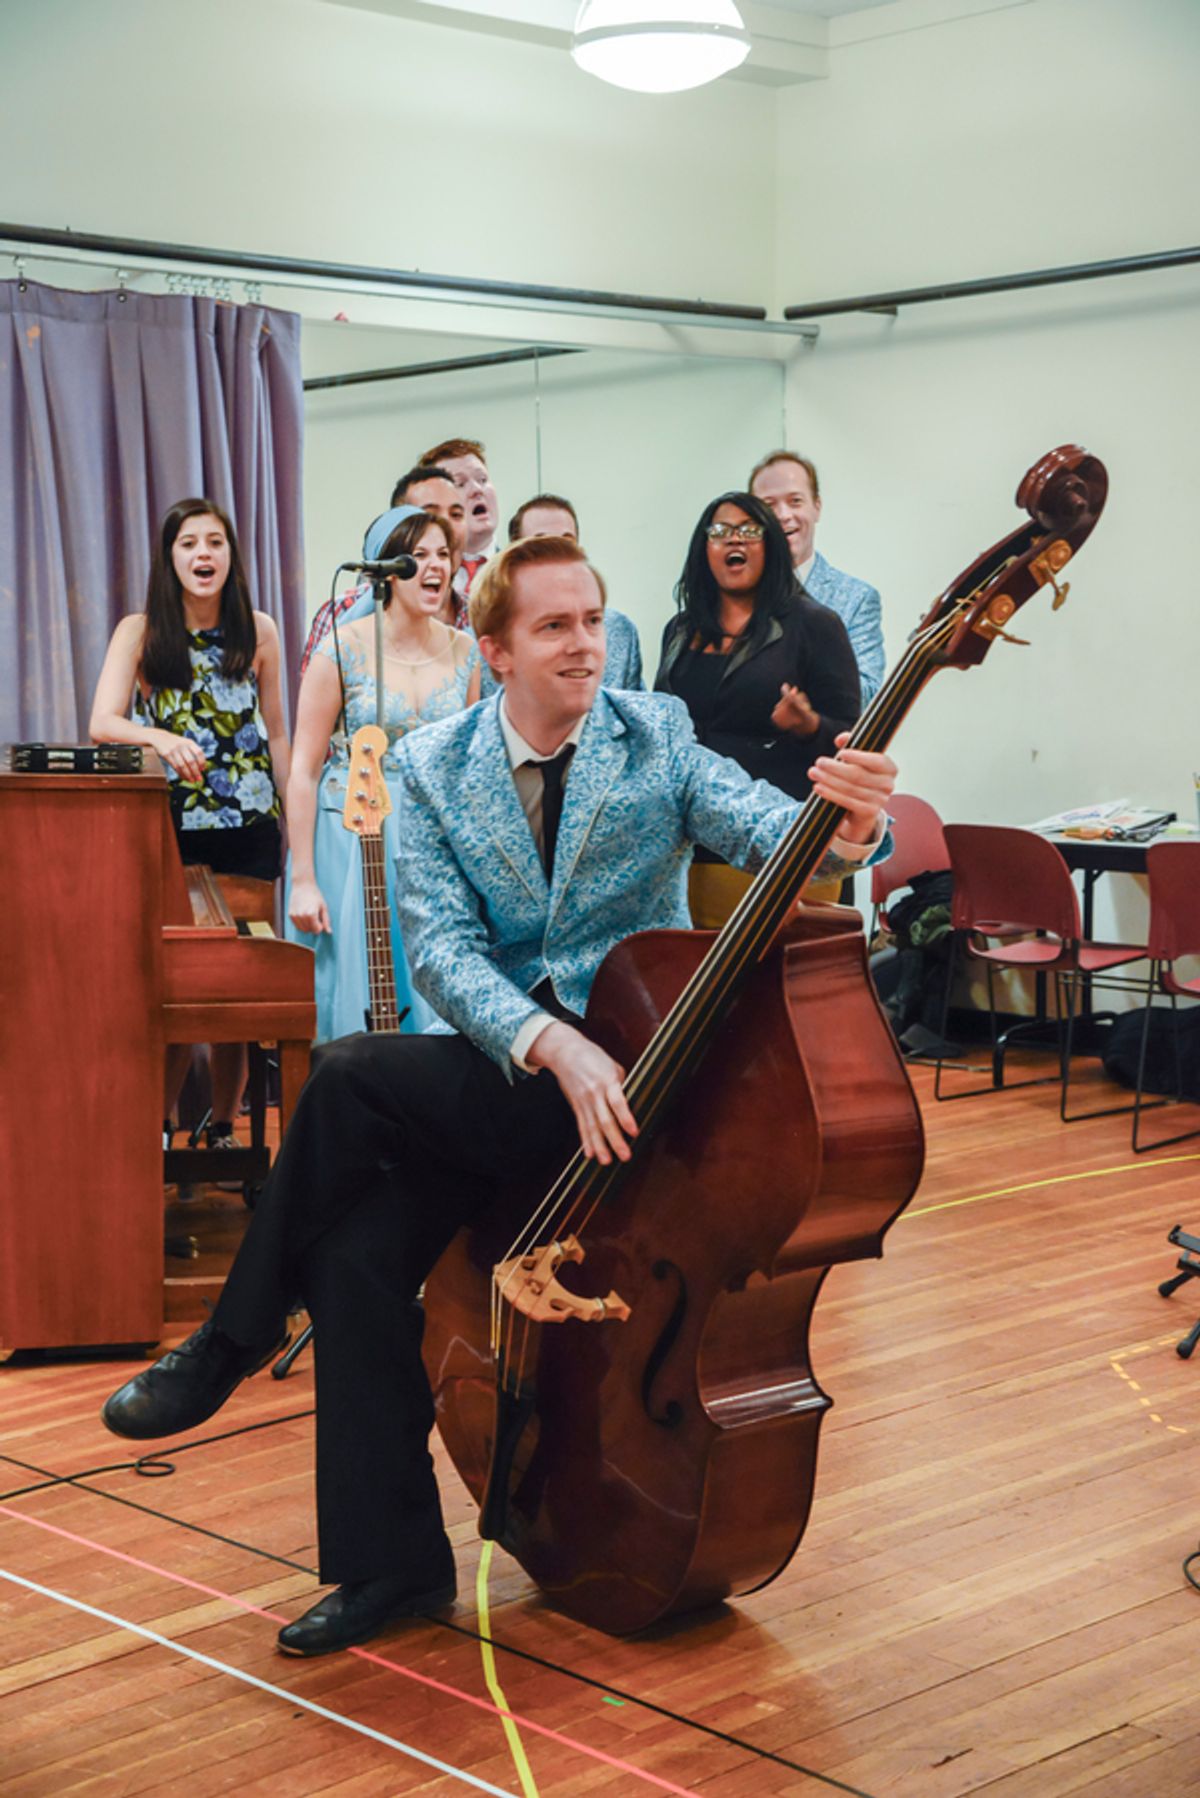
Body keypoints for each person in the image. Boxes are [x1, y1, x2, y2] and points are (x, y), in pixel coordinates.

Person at [100, 534, 896, 1659]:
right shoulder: (430, 767)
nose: (587, 645)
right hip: (508, 1076)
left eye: (593, 620)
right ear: (495, 648)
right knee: (357, 1258)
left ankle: (227, 1342)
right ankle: (397, 1569)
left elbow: (782, 838)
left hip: (634, 1090)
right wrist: (545, 1045)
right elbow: (443, 951)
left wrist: (857, 825)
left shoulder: (655, 735)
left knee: (346, 1078)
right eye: (555, 626)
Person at [89, 497, 289, 1148]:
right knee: (175, 984)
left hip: (251, 829)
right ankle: (161, 1126)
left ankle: (226, 1129)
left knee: (240, 985)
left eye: (215, 543)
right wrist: (160, 738)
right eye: (188, 544)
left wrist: (298, 831)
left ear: (231, 555)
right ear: (169, 557)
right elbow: (102, 723)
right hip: (173, 829)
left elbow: (278, 735)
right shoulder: (141, 630)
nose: (203, 555)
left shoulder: (258, 630)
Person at [286, 507, 481, 1042]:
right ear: (384, 570)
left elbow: (468, 770)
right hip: (350, 839)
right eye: (418, 556)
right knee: (355, 987)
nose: (435, 567)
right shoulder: (341, 651)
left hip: (432, 838)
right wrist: (303, 878)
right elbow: (303, 769)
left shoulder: (467, 652)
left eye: (443, 554)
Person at [656, 490, 861, 925]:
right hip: (691, 850)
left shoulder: (814, 625)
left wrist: (808, 725)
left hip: (779, 843)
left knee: (775, 986)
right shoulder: (680, 629)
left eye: (750, 531)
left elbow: (852, 737)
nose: (735, 541)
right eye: (721, 531)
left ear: (771, 546)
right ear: (703, 548)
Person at [749, 451, 885, 705]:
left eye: (795, 501)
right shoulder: (731, 596)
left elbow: (867, 697)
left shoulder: (858, 598)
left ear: (817, 508)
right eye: (768, 505)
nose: (783, 515)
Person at [506, 490, 643, 690]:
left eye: (567, 543)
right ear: (514, 557)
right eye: (541, 544)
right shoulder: (491, 638)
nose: (558, 554)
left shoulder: (619, 632)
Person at [390, 463, 471, 629]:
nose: (447, 528)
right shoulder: (345, 612)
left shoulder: (482, 617)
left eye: (456, 515)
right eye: (430, 516)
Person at [421, 436, 498, 593]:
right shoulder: (419, 576)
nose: (477, 490)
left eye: (482, 479)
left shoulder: (518, 571)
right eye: (460, 484)